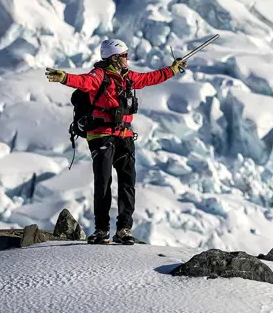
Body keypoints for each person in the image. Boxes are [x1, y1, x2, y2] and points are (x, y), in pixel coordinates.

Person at [45, 39, 186, 244]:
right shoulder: (99, 76)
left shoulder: (128, 78)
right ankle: (102, 231)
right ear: (114, 58)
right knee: (103, 183)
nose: (128, 58)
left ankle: (124, 230)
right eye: (124, 55)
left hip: (125, 137)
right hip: (101, 136)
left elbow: (150, 78)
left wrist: (172, 70)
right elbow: (83, 81)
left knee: (128, 183)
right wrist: (65, 77)